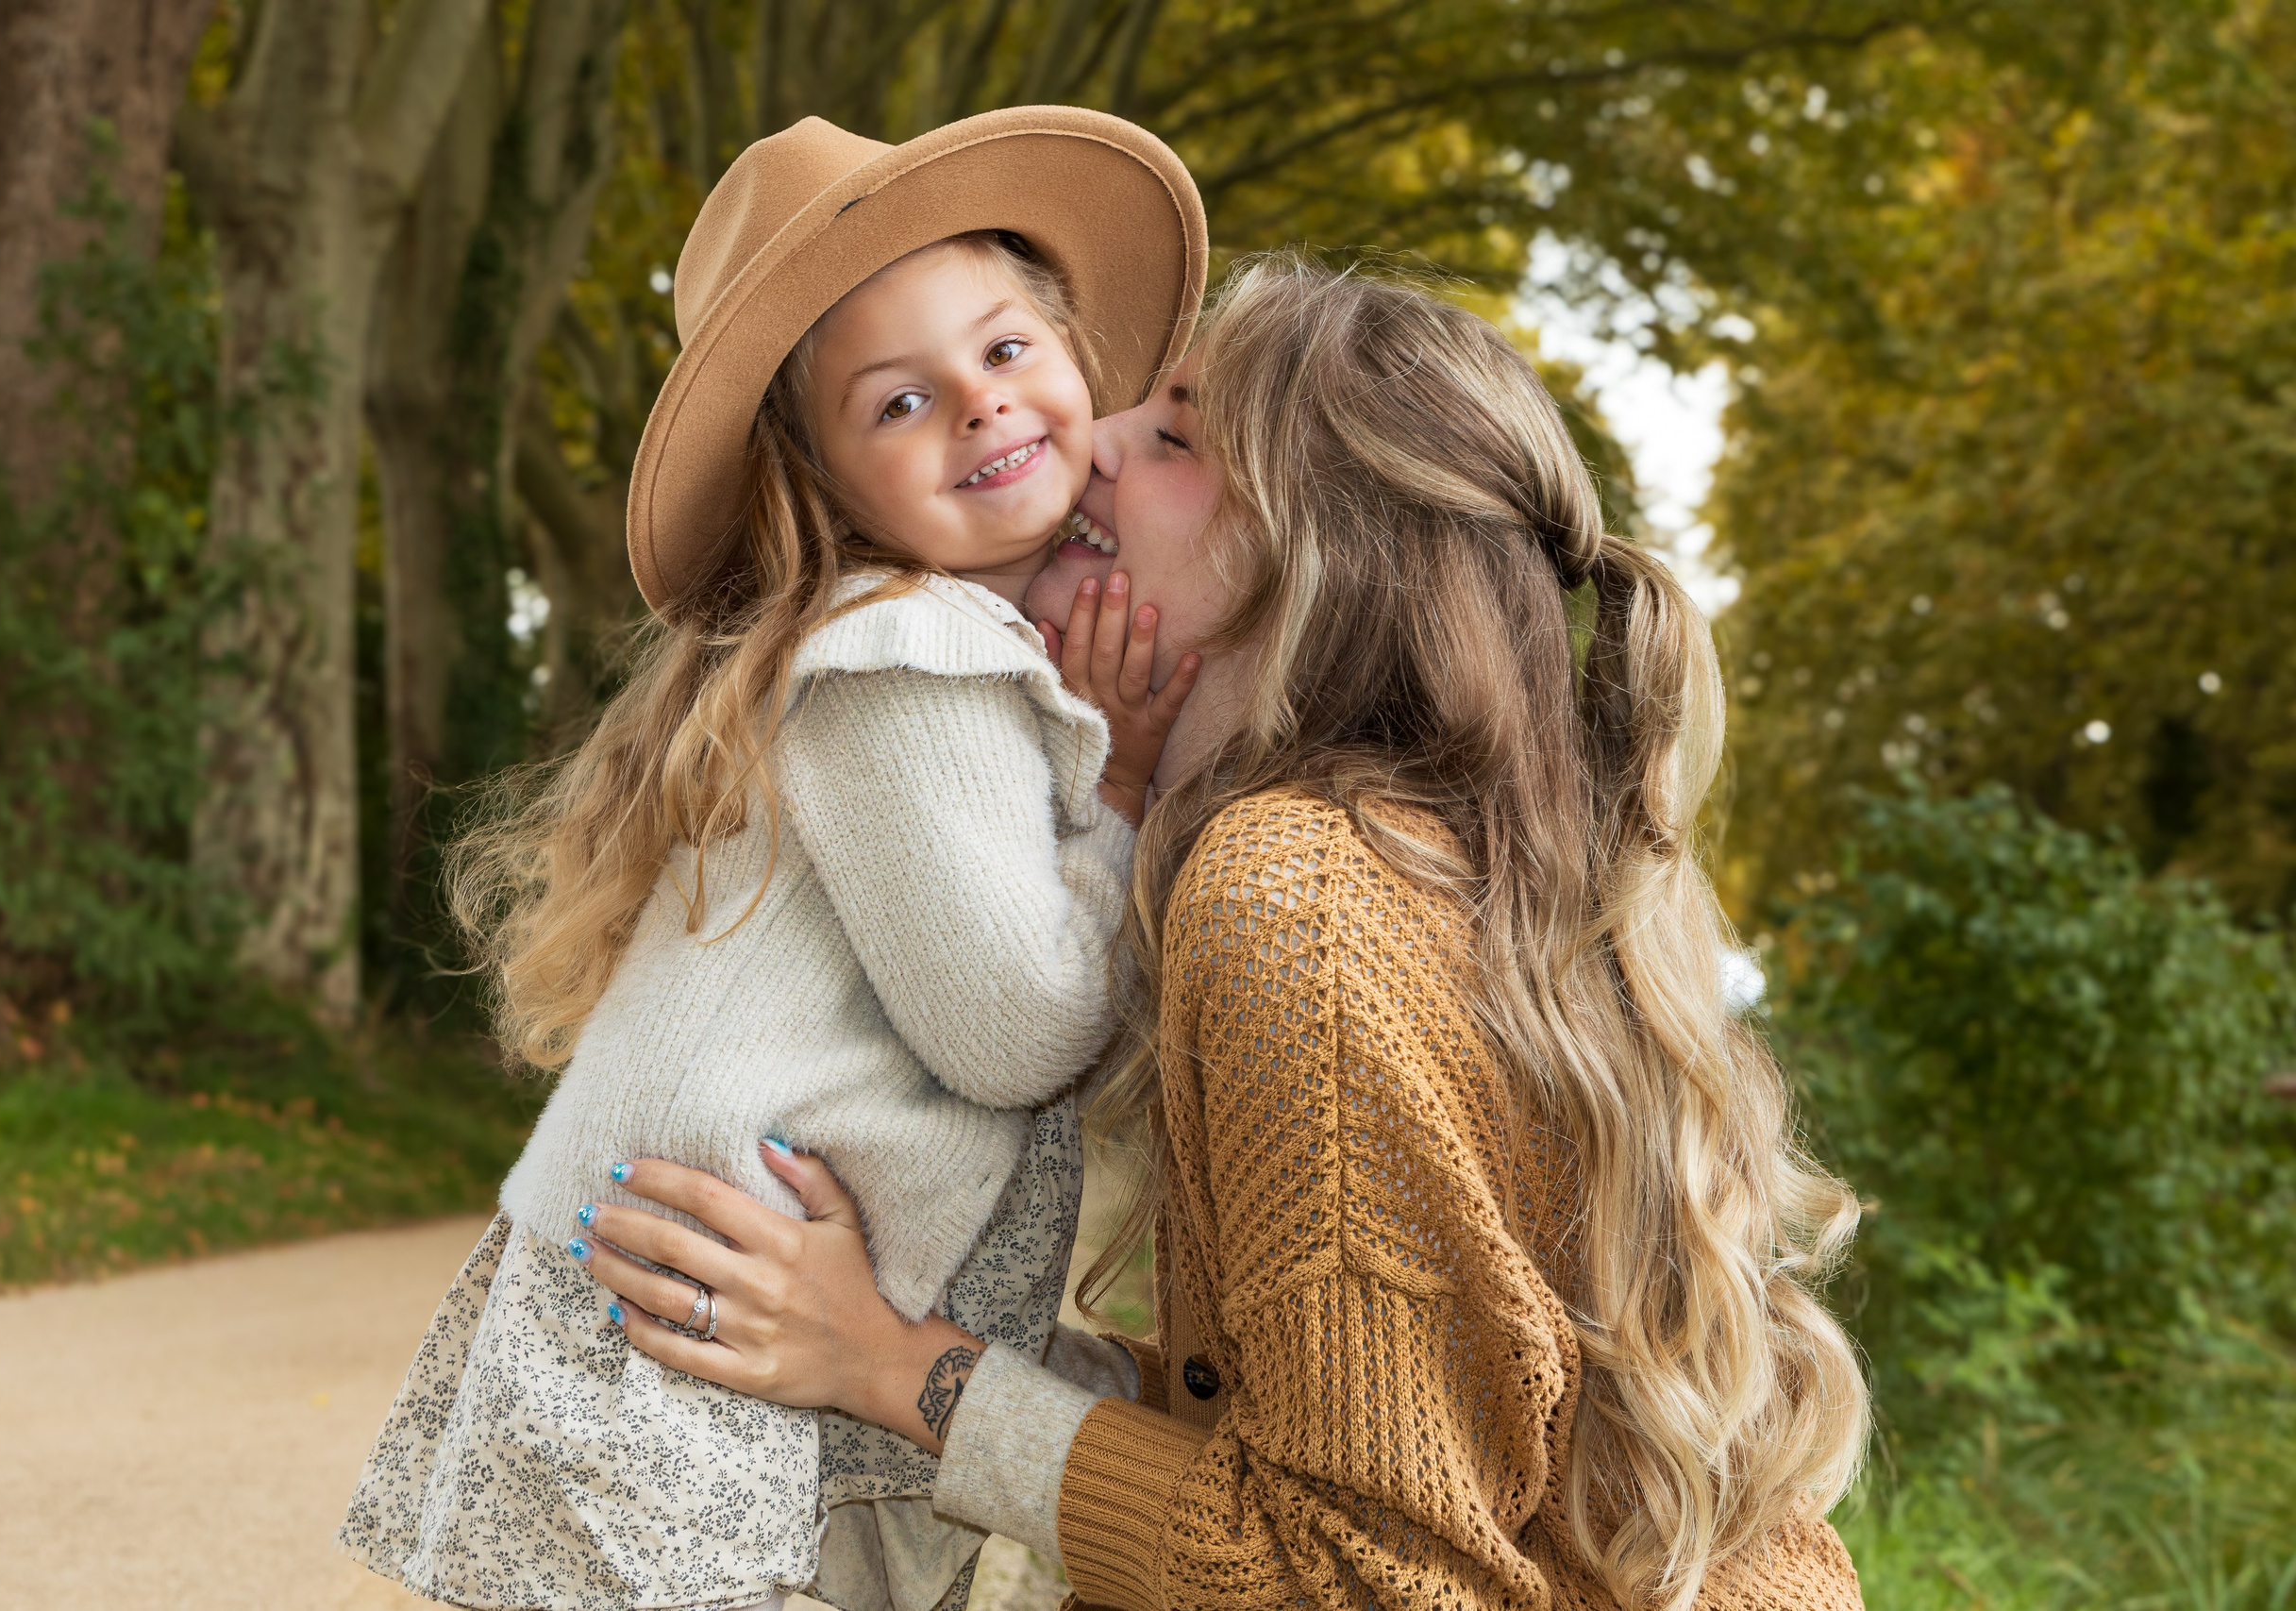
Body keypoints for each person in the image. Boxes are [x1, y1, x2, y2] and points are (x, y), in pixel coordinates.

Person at [572, 253, 1876, 1611]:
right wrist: (896, 1343)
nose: (1092, 445)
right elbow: (1365, 1431)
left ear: (1305, 554)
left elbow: (1354, 1581)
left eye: (1176, 434)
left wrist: (899, 1373)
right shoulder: (1432, 861)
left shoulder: (1292, 899)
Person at [338, 108, 1207, 1611]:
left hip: (698, 1319)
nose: (980, 409)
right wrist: (1129, 780)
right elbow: (1014, 1036)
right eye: (899, 404)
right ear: (820, 480)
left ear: (1073, 351)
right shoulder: (909, 661)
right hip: (687, 1342)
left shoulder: (936, 644)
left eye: (1004, 353)